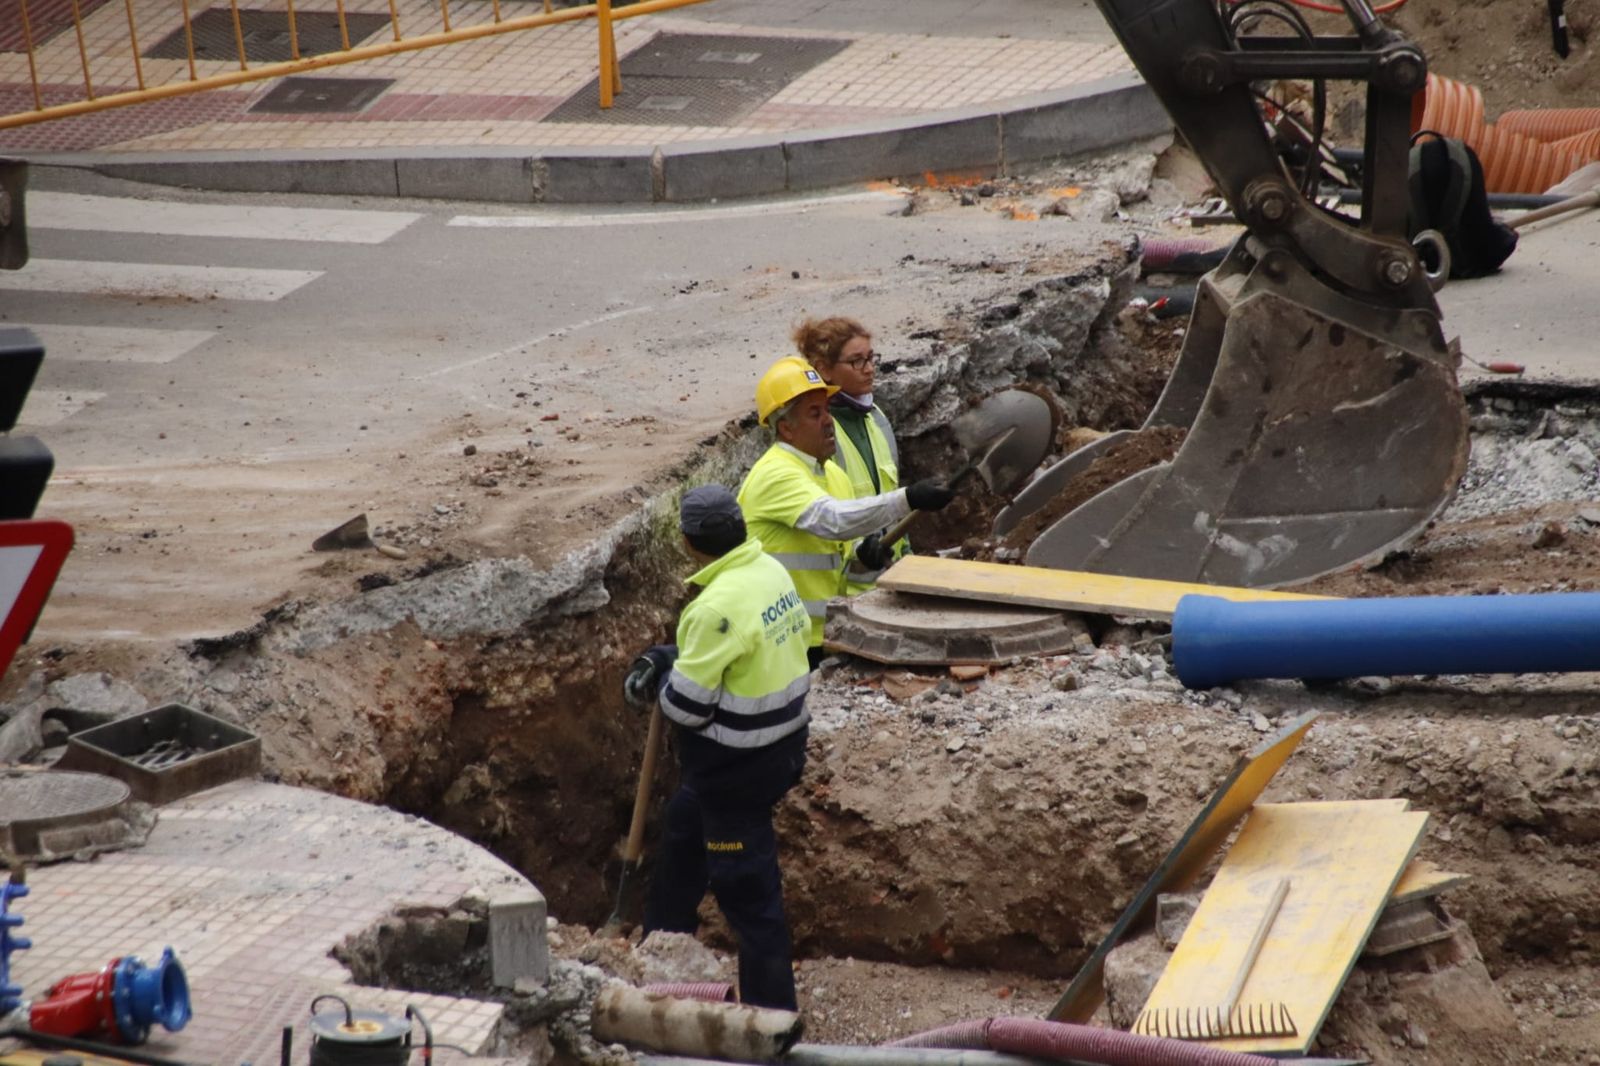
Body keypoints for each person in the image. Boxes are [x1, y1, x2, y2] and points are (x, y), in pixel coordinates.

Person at [623, 484, 813, 1010]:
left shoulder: (712, 608)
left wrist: (662, 676)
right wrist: (673, 656)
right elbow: (733, 649)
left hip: (736, 774)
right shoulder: (768, 571)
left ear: (688, 544)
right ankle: (661, 943)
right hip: (783, 747)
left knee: (750, 899)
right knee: (685, 827)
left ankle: (774, 1018)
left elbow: (686, 708)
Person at [738, 356, 955, 667]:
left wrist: (860, 555)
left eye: (827, 409)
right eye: (815, 413)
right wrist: (908, 498)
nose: (828, 421)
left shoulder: (832, 475)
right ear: (786, 428)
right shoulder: (775, 473)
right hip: (782, 639)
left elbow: (835, 546)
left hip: (823, 633)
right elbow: (835, 520)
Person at [793, 315, 908, 590]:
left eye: (871, 358)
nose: (869, 369)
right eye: (857, 361)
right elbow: (827, 518)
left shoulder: (876, 418)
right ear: (824, 369)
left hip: (893, 576)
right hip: (849, 588)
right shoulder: (817, 435)